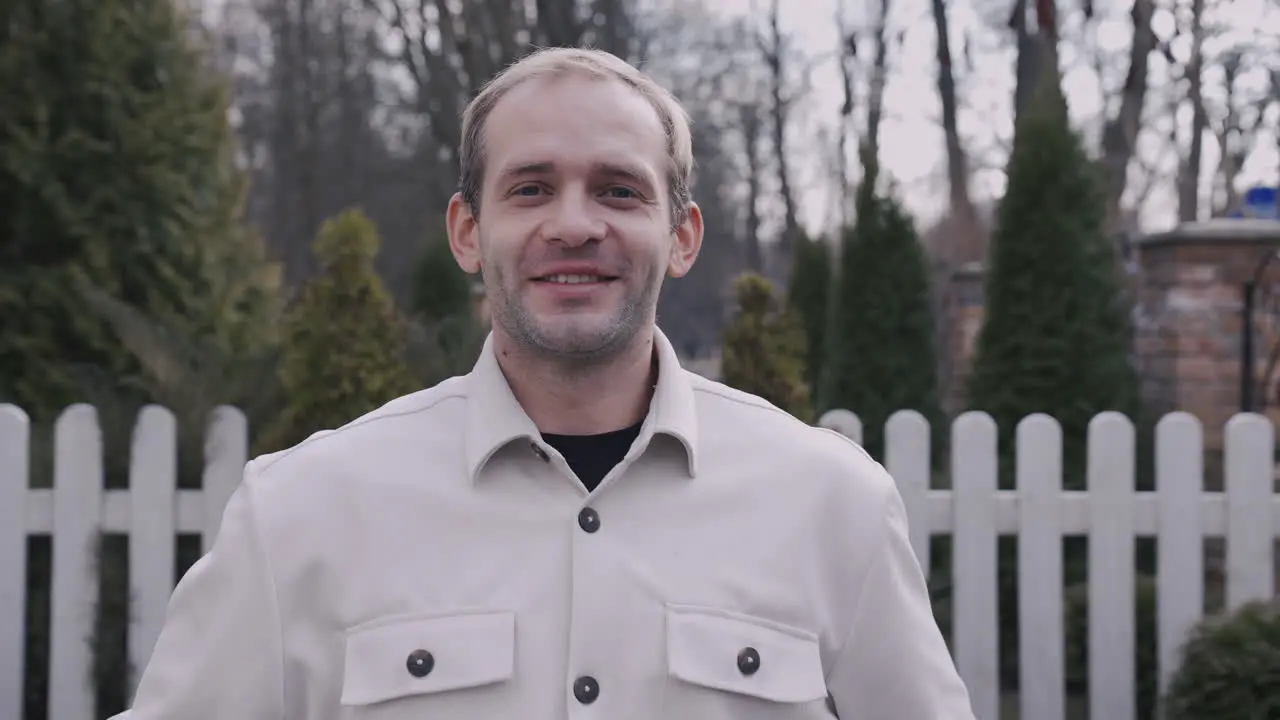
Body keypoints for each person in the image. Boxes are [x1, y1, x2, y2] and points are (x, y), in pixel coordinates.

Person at [111, 47, 975, 720]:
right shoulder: (301, 511)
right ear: (467, 232)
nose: (573, 224)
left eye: (619, 190)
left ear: (681, 237)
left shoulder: (834, 506)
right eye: (530, 189)